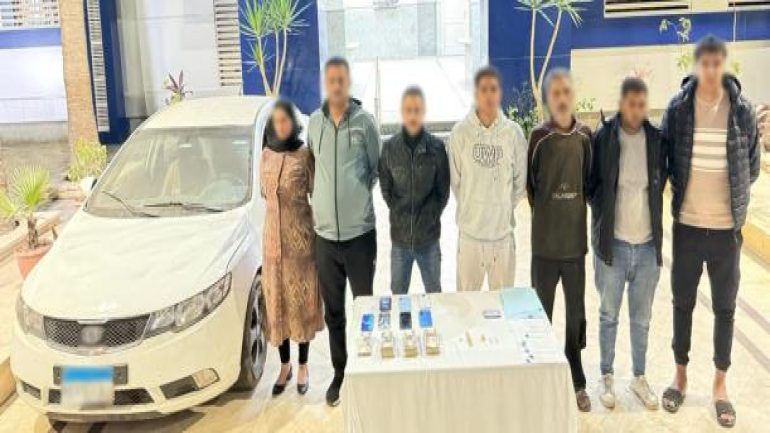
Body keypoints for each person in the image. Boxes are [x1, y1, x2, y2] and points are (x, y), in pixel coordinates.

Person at [660, 35, 760, 428]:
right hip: (687, 226)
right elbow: (665, 158)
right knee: (682, 303)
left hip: (725, 232)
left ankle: (720, 385)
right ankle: (680, 377)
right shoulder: (678, 109)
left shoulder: (743, 111)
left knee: (725, 308)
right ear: (697, 66)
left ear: (724, 66)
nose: (712, 70)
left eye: (718, 64)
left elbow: (751, 167)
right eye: (706, 64)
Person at [307, 57, 381, 407]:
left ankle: (369, 371)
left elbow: (376, 168)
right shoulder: (314, 123)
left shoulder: (365, 123)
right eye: (331, 79)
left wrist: (356, 197)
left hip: (360, 236)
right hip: (325, 238)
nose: (336, 85)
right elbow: (313, 164)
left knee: (365, 309)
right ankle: (341, 373)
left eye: (342, 80)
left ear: (349, 83)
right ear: (326, 83)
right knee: (334, 312)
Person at [590, 78, 665, 410]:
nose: (636, 110)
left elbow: (661, 183)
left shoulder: (656, 139)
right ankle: (606, 375)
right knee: (608, 314)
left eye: (641, 104)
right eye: (631, 104)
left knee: (642, 318)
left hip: (647, 247)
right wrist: (604, 223)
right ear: (621, 104)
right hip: (614, 245)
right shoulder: (605, 137)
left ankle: (639, 376)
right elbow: (592, 186)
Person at [527, 68, 592, 412]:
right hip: (545, 246)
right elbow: (531, 189)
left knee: (575, 312)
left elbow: (588, 184)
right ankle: (541, 374)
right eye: (556, 93)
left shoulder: (585, 136)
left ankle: (576, 373)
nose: (562, 98)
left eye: (567, 91)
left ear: (573, 95)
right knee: (541, 314)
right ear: (548, 99)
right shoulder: (538, 137)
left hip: (574, 246)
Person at [260, 100, 324, 397]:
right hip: (272, 247)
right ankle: (284, 365)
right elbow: (264, 193)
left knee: (301, 304)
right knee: (279, 306)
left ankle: (302, 365)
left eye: (286, 120)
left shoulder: (304, 155)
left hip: (300, 245)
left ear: (294, 123)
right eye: (277, 121)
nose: (281, 126)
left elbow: (316, 191)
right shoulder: (265, 155)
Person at [447, 66, 527, 291]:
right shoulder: (460, 133)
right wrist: (475, 204)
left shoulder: (513, 133)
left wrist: (501, 206)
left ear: (499, 93)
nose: (489, 95)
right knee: (466, 303)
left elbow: (520, 182)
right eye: (483, 89)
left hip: (502, 238)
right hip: (470, 237)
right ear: (475, 94)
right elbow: (456, 182)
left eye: (493, 89)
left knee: (502, 304)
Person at [380, 86, 450, 294]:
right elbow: (386, 189)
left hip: (429, 238)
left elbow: (443, 191)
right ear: (402, 112)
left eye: (417, 110)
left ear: (423, 112)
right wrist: (399, 213)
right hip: (400, 239)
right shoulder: (390, 148)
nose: (412, 115)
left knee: (434, 293)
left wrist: (429, 216)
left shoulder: (436, 149)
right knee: (398, 295)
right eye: (408, 110)